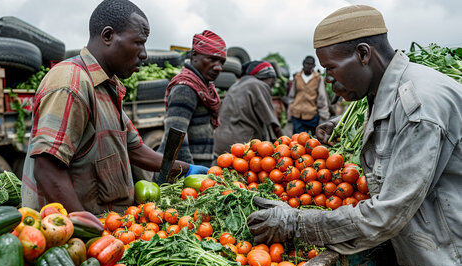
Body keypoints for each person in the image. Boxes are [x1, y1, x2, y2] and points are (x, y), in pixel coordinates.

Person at [247, 5, 462, 266]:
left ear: (364, 54)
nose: (328, 80)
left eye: (331, 69)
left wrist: (295, 222)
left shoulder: (419, 105)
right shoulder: (387, 94)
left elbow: (385, 215)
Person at [21, 0, 206, 214]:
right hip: (69, 233)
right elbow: (48, 168)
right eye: (138, 42)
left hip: (109, 225)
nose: (144, 54)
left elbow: (134, 148)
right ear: (108, 36)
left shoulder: (107, 86)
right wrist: (89, 231)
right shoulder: (72, 81)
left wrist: (185, 169)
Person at [157, 30, 226, 167]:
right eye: (212, 59)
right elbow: (176, 138)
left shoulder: (204, 88)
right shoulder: (185, 88)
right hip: (181, 173)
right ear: (194, 56)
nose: (219, 68)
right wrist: (191, 172)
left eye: (221, 62)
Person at [213, 61, 283, 158]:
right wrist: (286, 145)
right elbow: (274, 124)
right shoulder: (259, 85)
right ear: (264, 77)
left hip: (220, 143)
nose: (270, 87)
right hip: (240, 147)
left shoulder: (236, 85)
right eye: (272, 82)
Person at [286, 55, 330, 135]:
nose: (308, 66)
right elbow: (292, 96)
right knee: (298, 139)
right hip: (297, 114)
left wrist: (324, 114)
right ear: (303, 64)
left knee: (313, 139)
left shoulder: (318, 78)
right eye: (306, 63)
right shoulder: (297, 77)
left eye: (310, 64)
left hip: (312, 114)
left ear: (313, 65)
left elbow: (322, 97)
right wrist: (290, 111)